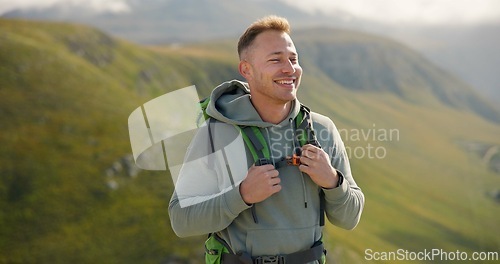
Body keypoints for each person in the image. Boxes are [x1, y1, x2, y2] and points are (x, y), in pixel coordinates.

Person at [169, 15, 364, 263]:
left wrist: (333, 181)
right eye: (276, 60)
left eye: (293, 59)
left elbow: (350, 218)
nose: (290, 69)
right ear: (246, 70)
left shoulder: (322, 130)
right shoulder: (215, 133)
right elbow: (181, 220)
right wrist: (241, 195)